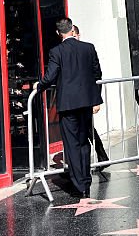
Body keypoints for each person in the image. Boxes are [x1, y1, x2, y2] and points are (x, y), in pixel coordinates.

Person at [36, 17, 103, 198]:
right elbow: (97, 73)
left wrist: (39, 86)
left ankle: (79, 182)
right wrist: (96, 98)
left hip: (68, 104)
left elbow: (50, 77)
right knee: (83, 142)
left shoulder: (56, 51)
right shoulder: (88, 47)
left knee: (72, 144)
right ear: (72, 29)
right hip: (86, 102)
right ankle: (86, 180)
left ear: (59, 33)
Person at [72, 24, 109, 167]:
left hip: (86, 97)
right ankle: (101, 157)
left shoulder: (87, 50)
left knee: (87, 128)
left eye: (75, 35)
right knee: (85, 129)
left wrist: (96, 100)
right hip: (75, 98)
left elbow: (97, 75)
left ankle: (101, 157)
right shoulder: (66, 52)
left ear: (79, 35)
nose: (74, 37)